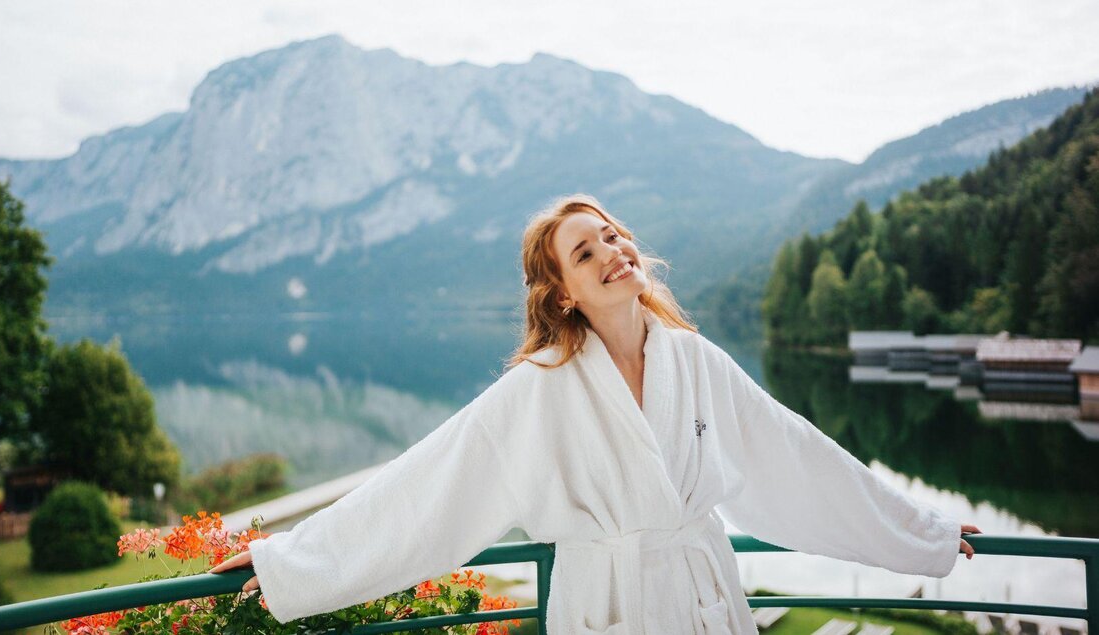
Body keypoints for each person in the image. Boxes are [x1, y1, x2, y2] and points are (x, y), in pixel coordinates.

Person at [211, 194, 980, 634]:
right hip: (610, 606)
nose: (612, 250)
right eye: (585, 252)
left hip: (706, 599)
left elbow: (798, 458)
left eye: (612, 234)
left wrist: (926, 530)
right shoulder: (538, 389)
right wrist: (290, 559)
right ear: (563, 294)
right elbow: (427, 485)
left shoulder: (695, 360)